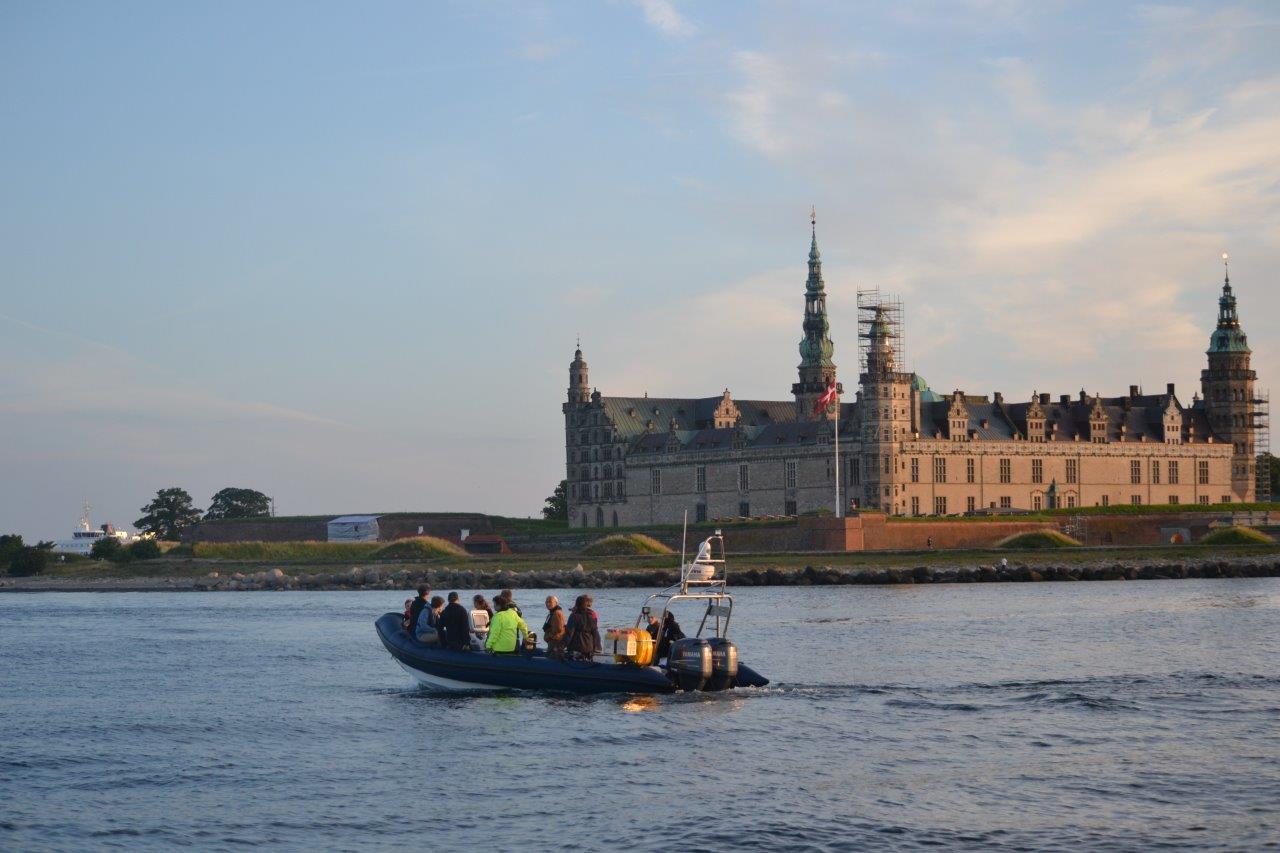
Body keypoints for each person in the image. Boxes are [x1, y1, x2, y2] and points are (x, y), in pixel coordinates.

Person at [565, 594, 602, 660]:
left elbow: (569, 634)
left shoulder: (574, 616)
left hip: (576, 648)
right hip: (589, 648)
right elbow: (595, 633)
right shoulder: (592, 616)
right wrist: (598, 647)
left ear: (577, 604)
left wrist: (560, 647)